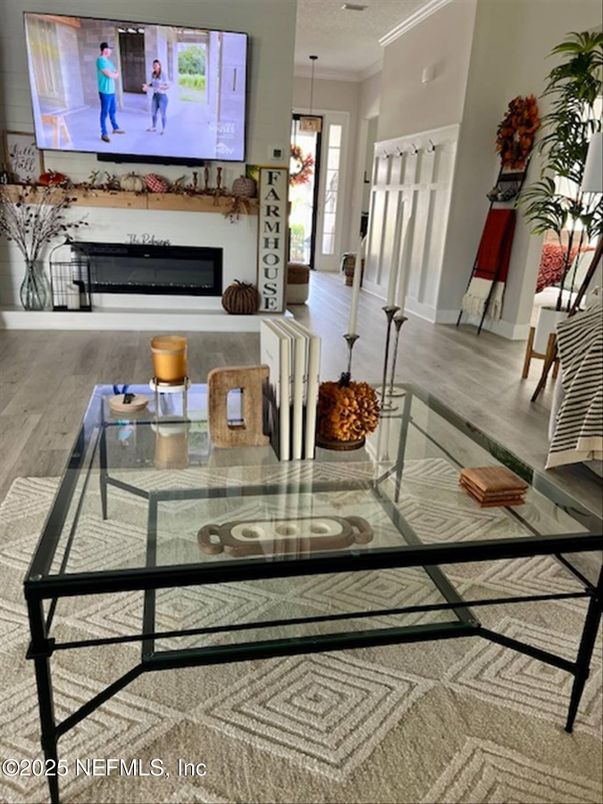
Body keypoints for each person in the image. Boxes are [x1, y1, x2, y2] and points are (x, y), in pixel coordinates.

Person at [96, 42, 126, 143]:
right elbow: (110, 75)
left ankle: (115, 128)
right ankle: (104, 134)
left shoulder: (109, 62)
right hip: (105, 91)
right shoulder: (100, 61)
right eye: (110, 49)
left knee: (112, 111)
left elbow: (117, 73)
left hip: (112, 91)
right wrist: (113, 74)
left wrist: (113, 74)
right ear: (105, 50)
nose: (111, 51)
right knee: (104, 112)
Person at [143, 60, 170, 135]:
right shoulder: (153, 74)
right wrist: (147, 86)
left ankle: (164, 129)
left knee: (162, 114)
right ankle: (154, 127)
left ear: (159, 66)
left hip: (162, 96)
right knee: (153, 112)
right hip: (155, 96)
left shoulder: (163, 74)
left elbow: (168, 86)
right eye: (153, 65)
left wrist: (161, 86)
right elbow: (153, 83)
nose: (154, 66)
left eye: (156, 65)